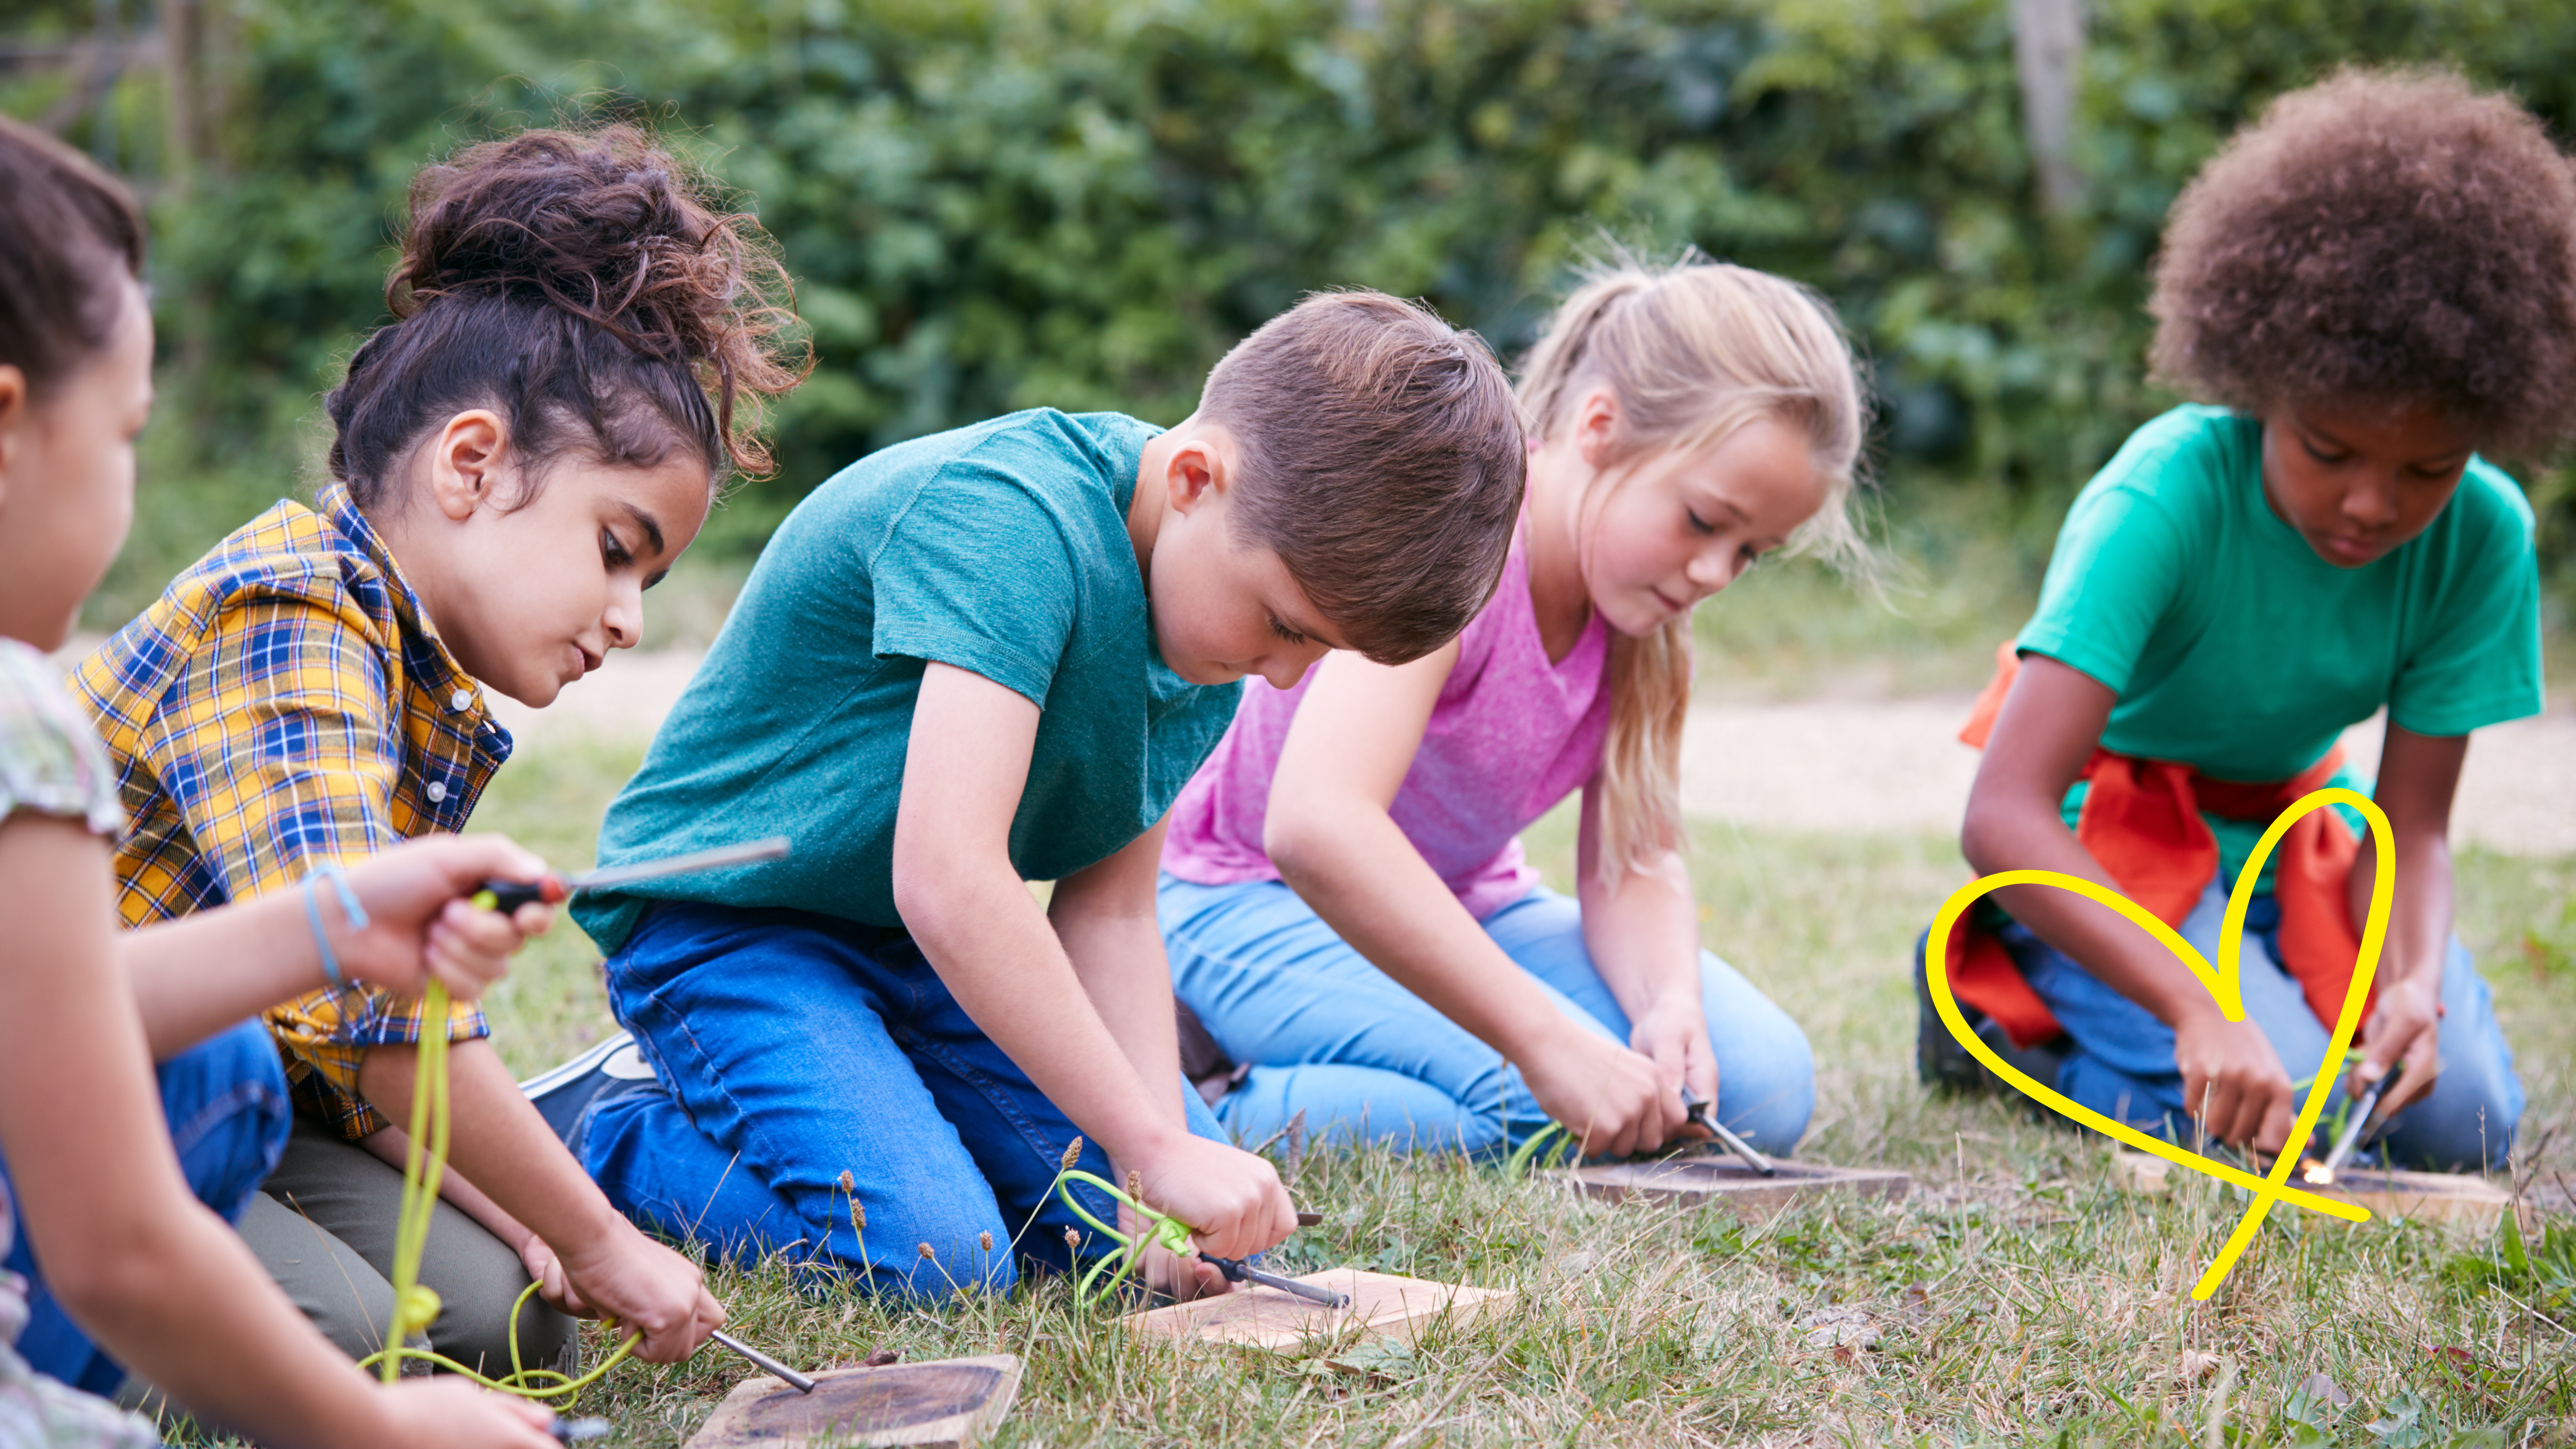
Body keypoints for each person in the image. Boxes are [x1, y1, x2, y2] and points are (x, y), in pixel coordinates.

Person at [542, 290, 1526, 1297]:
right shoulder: (1010, 520)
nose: (1283, 675)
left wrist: (1156, 1182)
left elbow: (1111, 914)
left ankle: (883, 1096)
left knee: (1153, 1252)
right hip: (730, 924)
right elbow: (951, 877)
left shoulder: (1206, 636)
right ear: (1194, 478)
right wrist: (1151, 1140)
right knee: (939, 1264)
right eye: (1287, 625)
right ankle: (598, 1131)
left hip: (911, 950)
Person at [70, 124, 803, 1374]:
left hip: (234, 1091)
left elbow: (331, 1041)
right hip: (65, 1098)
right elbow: (372, 1016)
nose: (629, 618)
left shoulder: (410, 665)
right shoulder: (286, 612)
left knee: (514, 1314)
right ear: (472, 463)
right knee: (349, 1338)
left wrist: (543, 1223)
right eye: (617, 548)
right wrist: (613, 1241)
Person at [0, 111, 563, 1448]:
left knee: (477, 1299)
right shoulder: (36, 721)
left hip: (185, 1096)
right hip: (115, 1163)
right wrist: (387, 1432)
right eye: (128, 433)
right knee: (322, 1294)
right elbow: (122, 1242)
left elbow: (48, 1002)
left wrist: (326, 926)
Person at [1928, 68, 2567, 1171]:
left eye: (2428, 467)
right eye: (2329, 449)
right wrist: (2196, 1007)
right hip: (2104, 845)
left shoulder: (2484, 536)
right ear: (2261, 379)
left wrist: (2412, 981)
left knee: (2459, 1124)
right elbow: (2004, 816)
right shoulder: (2162, 498)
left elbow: (2412, 828)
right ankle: (1994, 1022)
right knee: (2298, 1124)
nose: (2373, 504)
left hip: (2290, 837)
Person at [1157, 258, 1859, 1161]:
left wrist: (1669, 1001)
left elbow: (1632, 859)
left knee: (1755, 1084)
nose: (1716, 572)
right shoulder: (1460, 553)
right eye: (1702, 520)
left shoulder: (1643, 620)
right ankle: (1209, 1096)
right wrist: (1546, 1038)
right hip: (1246, 907)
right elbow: (1316, 824)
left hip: (1462, 905)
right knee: (1553, 1101)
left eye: (1752, 552)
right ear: (1600, 427)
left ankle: (1432, 1079)